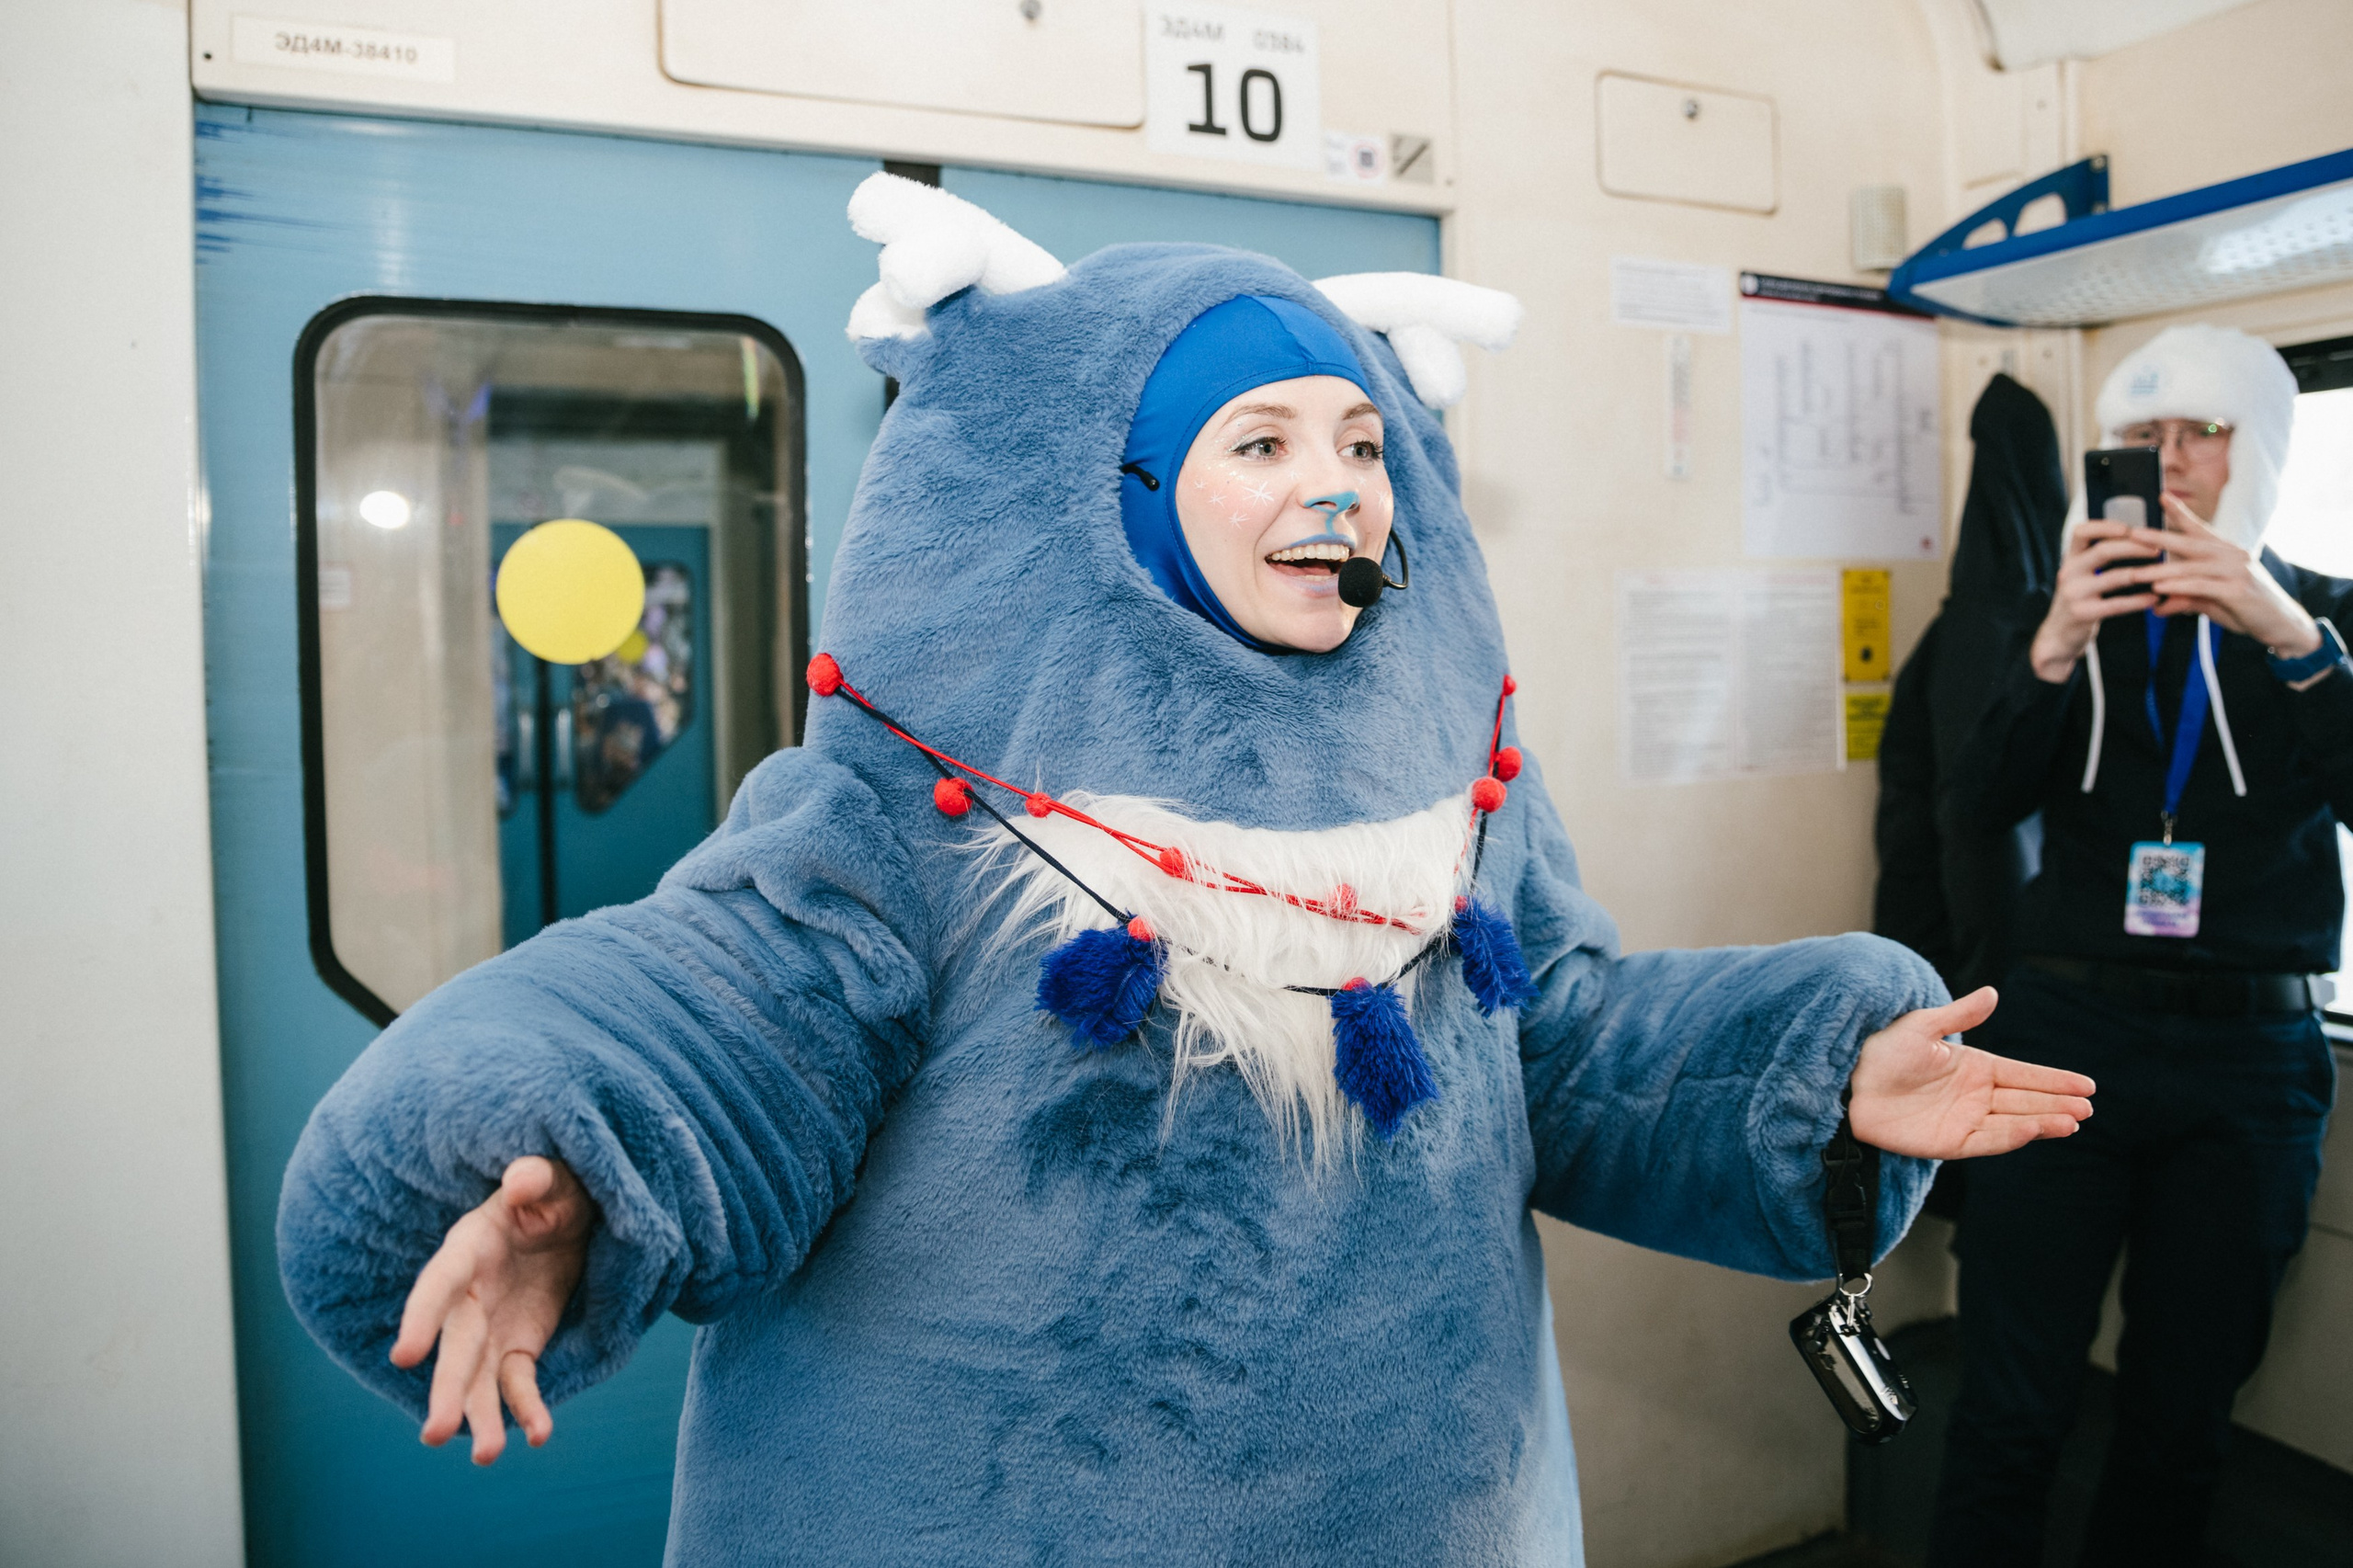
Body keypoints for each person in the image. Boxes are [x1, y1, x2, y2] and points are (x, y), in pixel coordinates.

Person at [278, 176, 2093, 1564]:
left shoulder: (1458, 804)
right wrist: (564, 1166)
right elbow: (714, 1009)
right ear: (1129, 486)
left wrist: (1823, 1070)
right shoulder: (924, 810)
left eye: (1364, 444)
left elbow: (1568, 1051)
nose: (1341, 491)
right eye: (1264, 442)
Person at [1930, 324, 2341, 1566]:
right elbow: (1977, 803)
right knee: (2013, 1396)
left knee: (2182, 1412)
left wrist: (2289, 638)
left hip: (2253, 1056)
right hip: (2067, 1032)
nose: (2168, 466)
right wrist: (2052, 643)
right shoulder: (2069, 618)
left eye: (2200, 436)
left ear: (2254, 452)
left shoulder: (2320, 620)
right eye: (2143, 440)